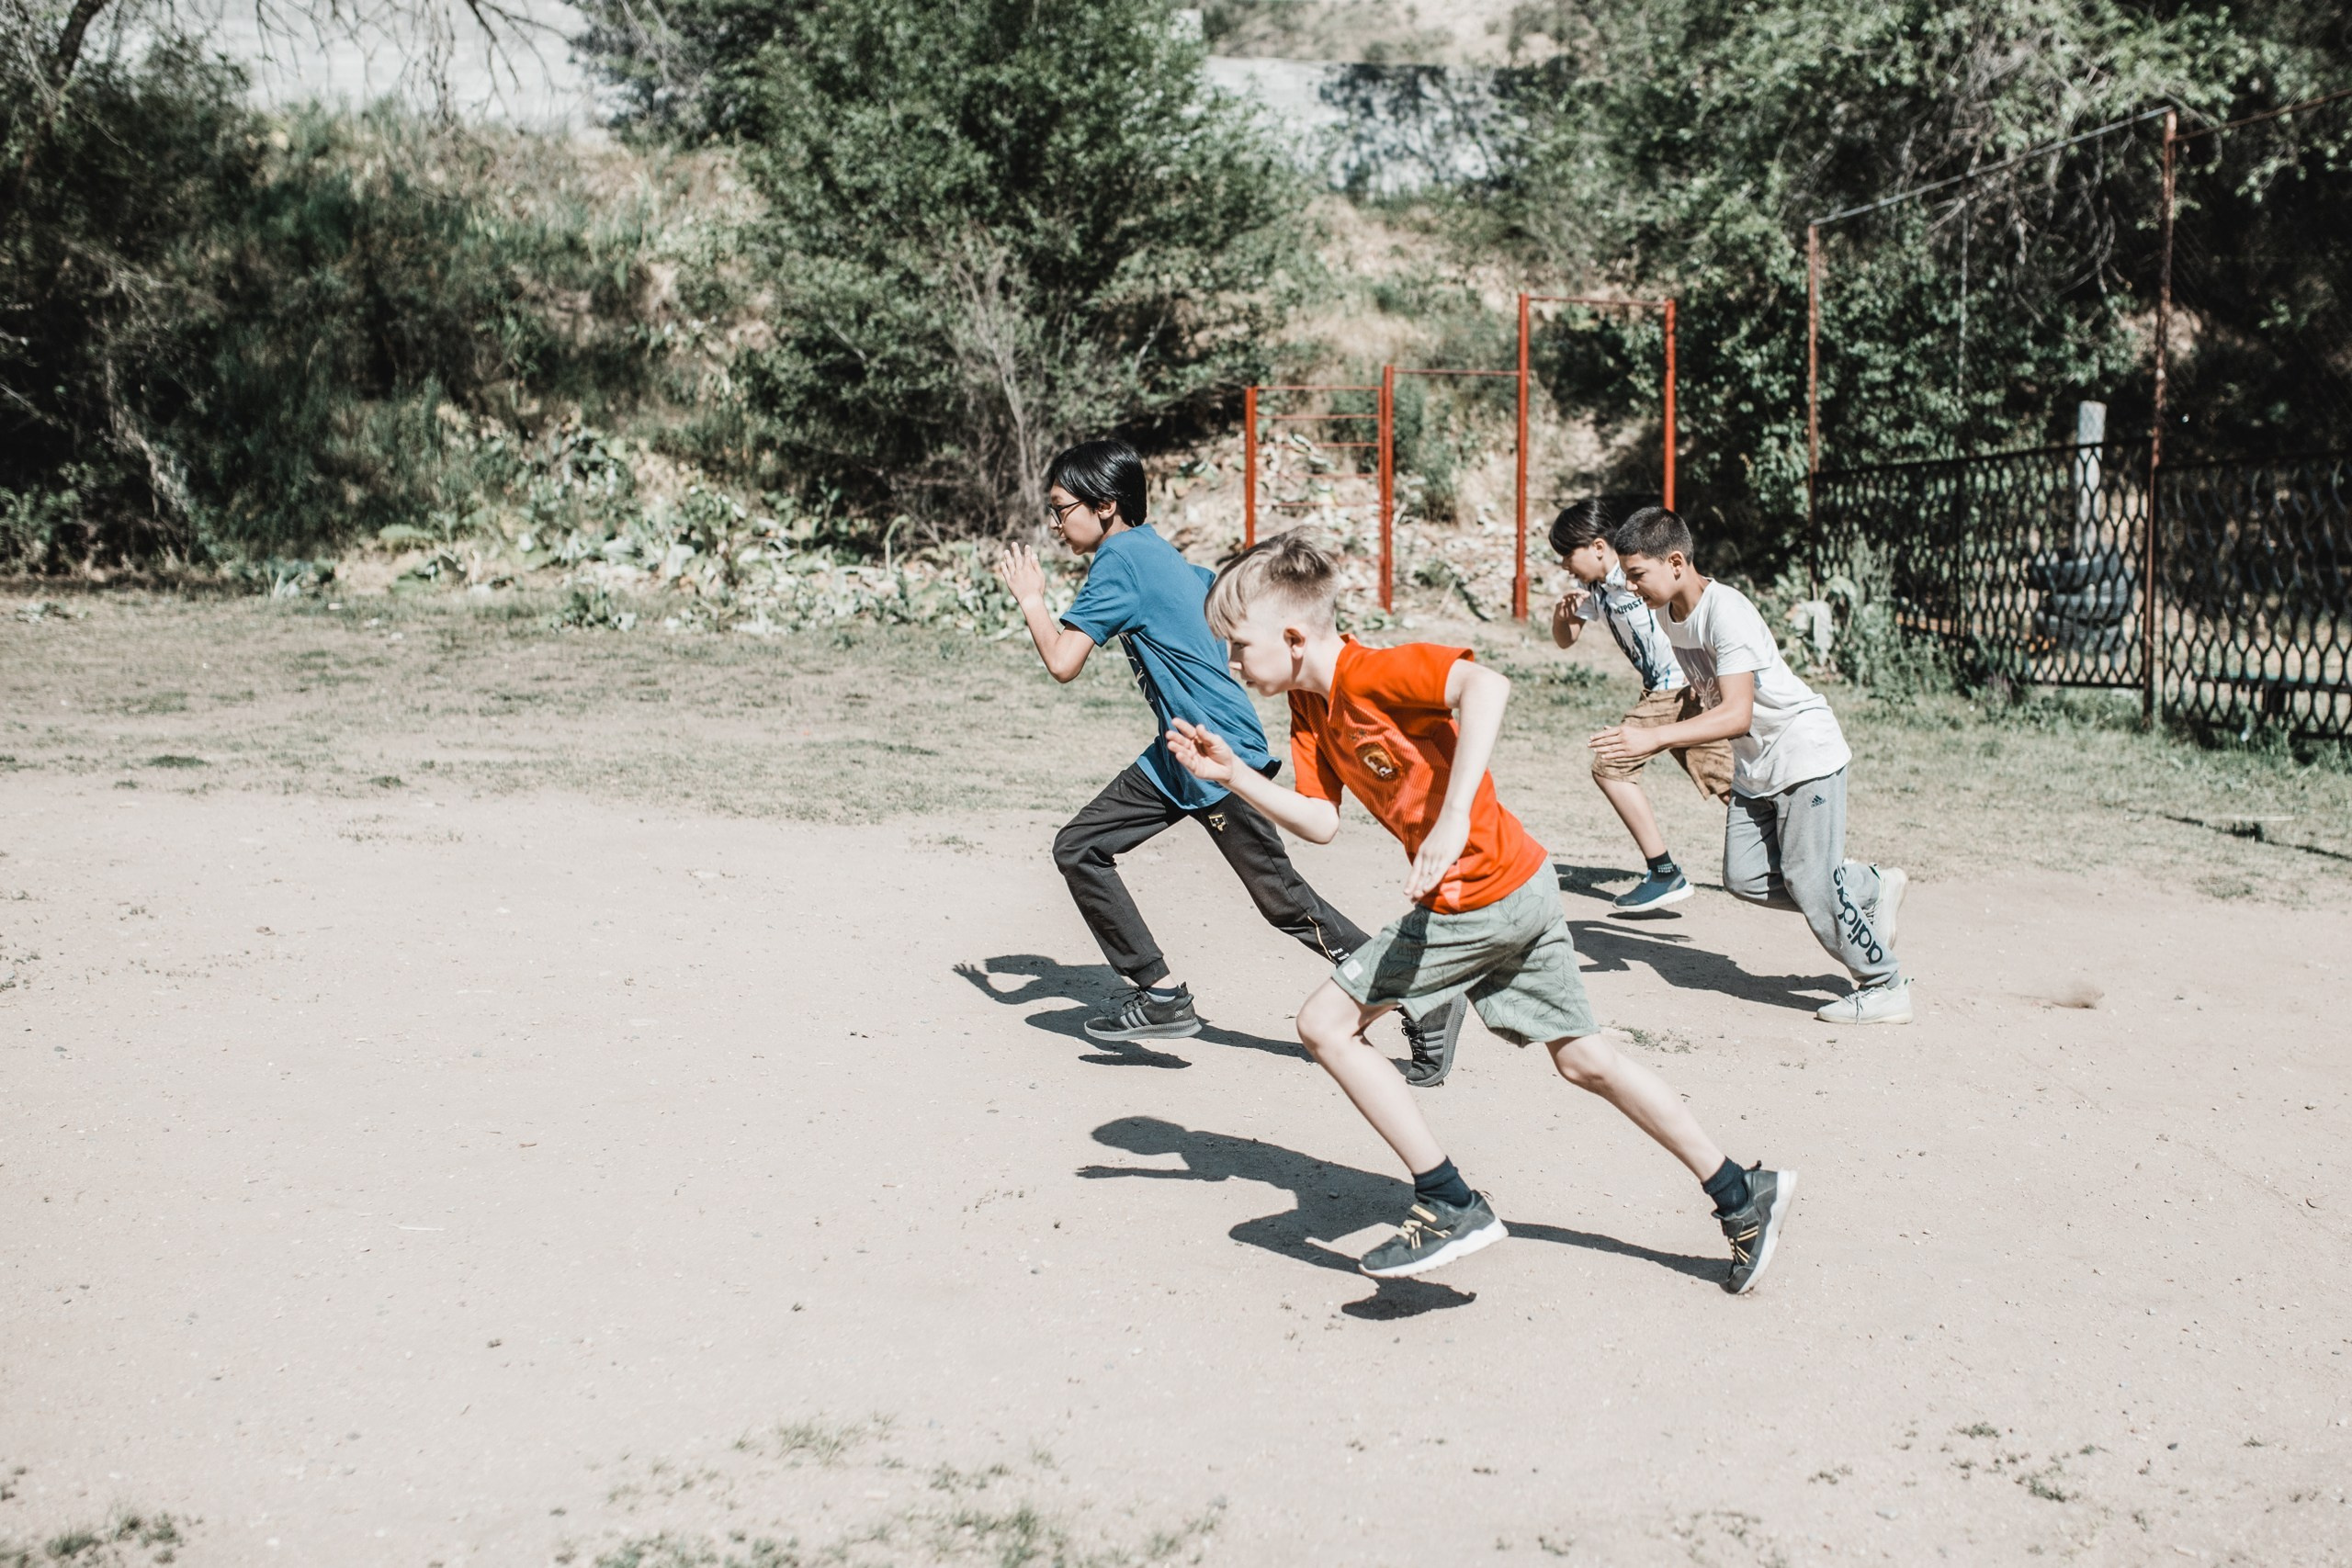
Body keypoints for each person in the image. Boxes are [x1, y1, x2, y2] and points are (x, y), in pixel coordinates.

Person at [1162, 530, 1795, 1292]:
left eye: (1237, 647)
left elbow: (1486, 685)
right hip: (1521, 883)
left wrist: (1456, 813)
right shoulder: (1310, 707)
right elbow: (1319, 821)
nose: (1231, 664)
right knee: (1585, 1058)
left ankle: (1448, 1199)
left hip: (1478, 897)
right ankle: (1739, 1192)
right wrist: (1231, 774)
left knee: (1324, 1025)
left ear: (1293, 637)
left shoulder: (1373, 672)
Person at [993, 439, 1464, 1075]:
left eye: (1061, 508)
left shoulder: (1121, 560)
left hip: (1213, 754)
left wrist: (1030, 598)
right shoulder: (1166, 556)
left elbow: (1063, 662)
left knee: (1285, 901)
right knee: (1080, 844)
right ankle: (1159, 994)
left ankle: (1420, 990)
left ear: (1105, 506)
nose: (1055, 523)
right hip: (1182, 752)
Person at [1593, 507, 1911, 1025]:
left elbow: (1737, 713)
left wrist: (1652, 738)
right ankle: (1867, 886)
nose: (1630, 587)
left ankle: (1885, 983)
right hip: (1758, 765)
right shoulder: (1671, 616)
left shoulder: (1727, 612)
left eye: (1636, 574)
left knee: (1810, 881)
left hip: (1803, 754)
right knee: (1744, 877)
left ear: (1676, 562)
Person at [1549, 499, 1734, 911]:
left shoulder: (1638, 573)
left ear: (1599, 546)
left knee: (1610, 765)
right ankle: (1806, 863)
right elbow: (1566, 639)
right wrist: (1563, 617)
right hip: (1675, 690)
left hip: (1676, 686)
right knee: (1729, 783)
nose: (1564, 565)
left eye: (1567, 554)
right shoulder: (1597, 589)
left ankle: (1665, 872)